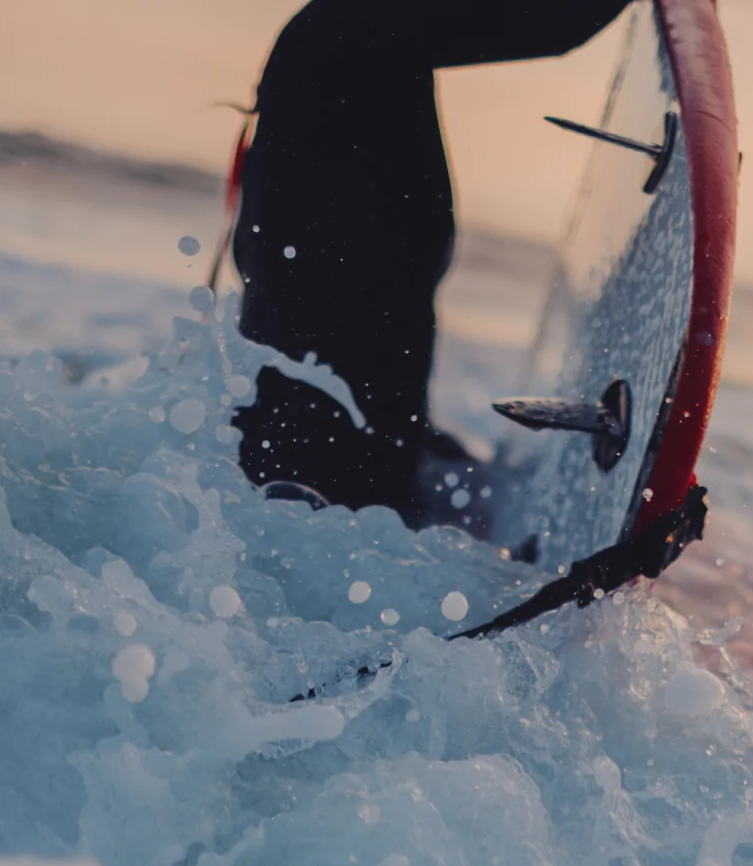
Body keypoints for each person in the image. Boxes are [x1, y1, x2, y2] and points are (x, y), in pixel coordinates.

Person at [230, 0, 631, 520]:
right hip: (321, 478)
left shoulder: (336, 36)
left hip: (322, 454)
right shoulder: (357, 29)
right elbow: (555, 18)